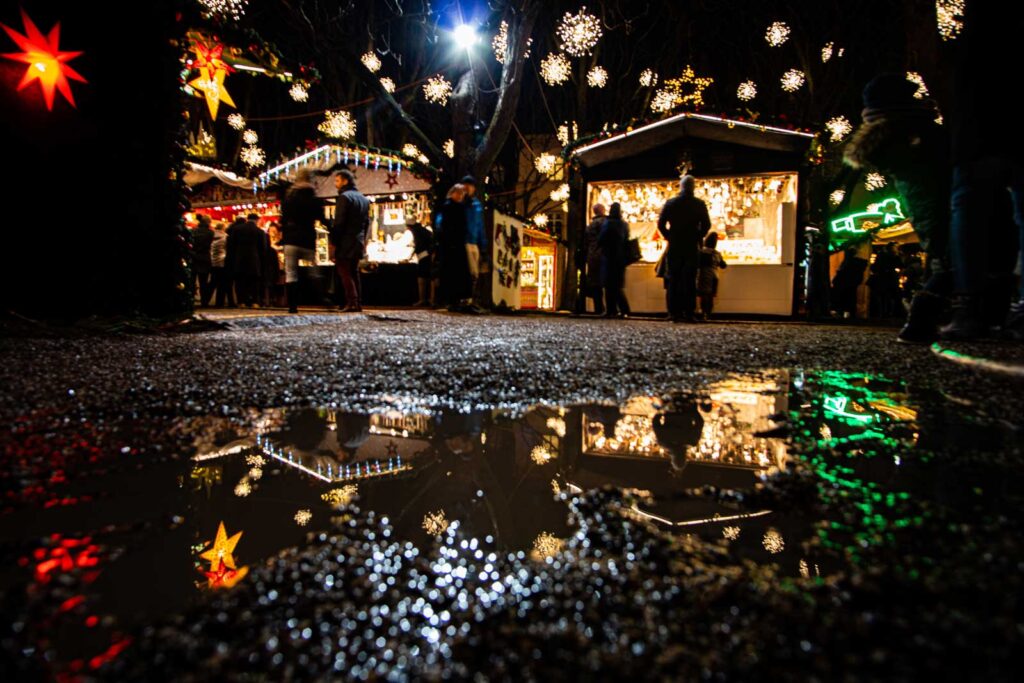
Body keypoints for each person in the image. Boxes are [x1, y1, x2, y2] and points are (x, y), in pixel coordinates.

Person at [844, 73, 951, 342]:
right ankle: (922, 320)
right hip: (937, 203)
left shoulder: (890, 140)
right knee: (949, 260)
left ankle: (927, 319)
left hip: (924, 205)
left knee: (944, 259)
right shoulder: (916, 136)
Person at [940, 1, 1024, 341]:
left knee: (969, 213)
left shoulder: (974, 33)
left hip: (977, 132)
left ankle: (969, 307)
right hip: (1008, 126)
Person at [657, 175, 711, 322]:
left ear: (680, 187)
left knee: (673, 279)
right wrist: (698, 236)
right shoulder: (699, 204)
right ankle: (689, 312)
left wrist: (669, 236)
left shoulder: (671, 203)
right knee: (690, 280)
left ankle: (673, 312)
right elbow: (707, 225)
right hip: (691, 245)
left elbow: (661, 224)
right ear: (693, 187)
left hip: (675, 245)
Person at [279, 168, 325, 313]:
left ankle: (293, 306)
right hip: (307, 239)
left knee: (291, 272)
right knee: (313, 269)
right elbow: (322, 219)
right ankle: (321, 295)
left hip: (291, 239)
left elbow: (283, 219)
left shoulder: (289, 197)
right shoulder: (314, 199)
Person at [330, 169, 370, 313]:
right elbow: (367, 223)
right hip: (358, 240)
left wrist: (333, 242)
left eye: (337, 181)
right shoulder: (364, 199)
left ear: (345, 181)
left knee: (345, 271)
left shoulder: (344, 198)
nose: (336, 184)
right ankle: (357, 302)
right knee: (354, 272)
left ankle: (352, 301)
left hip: (345, 241)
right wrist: (364, 241)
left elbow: (339, 222)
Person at [437, 184, 473, 310]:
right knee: (453, 272)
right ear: (452, 193)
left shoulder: (456, 207)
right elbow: (445, 226)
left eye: (461, 194)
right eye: (458, 193)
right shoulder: (449, 207)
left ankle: (455, 299)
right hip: (451, 244)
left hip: (454, 244)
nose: (460, 196)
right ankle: (452, 299)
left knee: (455, 272)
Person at [597, 202, 631, 318]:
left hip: (609, 256)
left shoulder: (608, 223)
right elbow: (626, 239)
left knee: (608, 285)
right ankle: (624, 309)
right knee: (617, 285)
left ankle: (612, 310)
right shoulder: (624, 224)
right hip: (620, 257)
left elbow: (601, 238)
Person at [227, 213, 268, 308]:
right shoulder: (260, 231)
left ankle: (241, 301)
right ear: (257, 220)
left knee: (240, 281)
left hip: (239, 259)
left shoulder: (237, 230)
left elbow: (231, 246)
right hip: (254, 259)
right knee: (254, 281)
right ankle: (254, 302)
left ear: (247, 219)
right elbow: (263, 249)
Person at [461, 176, 488, 312]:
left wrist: (483, 244)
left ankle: (470, 299)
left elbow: (479, 225)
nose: (467, 188)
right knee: (469, 271)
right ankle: (467, 299)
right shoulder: (461, 203)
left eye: (469, 186)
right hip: (464, 241)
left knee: (474, 272)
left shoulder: (475, 205)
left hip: (473, 241)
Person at [831, 246, 868, 319]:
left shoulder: (848, 262)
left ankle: (843, 312)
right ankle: (851, 313)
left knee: (844, 298)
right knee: (851, 298)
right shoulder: (858, 262)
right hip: (852, 283)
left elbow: (841, 272)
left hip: (846, 283)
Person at [696, 232, 727, 320]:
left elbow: (698, 264)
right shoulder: (717, 253)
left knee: (704, 295)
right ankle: (709, 313)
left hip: (705, 275)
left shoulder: (702, 252)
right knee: (711, 296)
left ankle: (703, 313)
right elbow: (723, 265)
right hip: (715, 276)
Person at [583, 203, 606, 315]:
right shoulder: (605, 223)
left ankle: (599, 307)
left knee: (596, 284)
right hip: (604, 255)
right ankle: (611, 309)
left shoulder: (590, 225)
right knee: (608, 282)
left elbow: (586, 242)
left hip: (592, 256)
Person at [867, 243, 901, 319]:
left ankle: (883, 313)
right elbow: (900, 264)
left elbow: (875, 266)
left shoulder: (882, 255)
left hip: (883, 278)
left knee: (883, 297)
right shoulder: (892, 256)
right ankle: (886, 313)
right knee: (887, 297)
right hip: (887, 278)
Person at [408, 214, 435, 307]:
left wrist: (411, 255)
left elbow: (419, 245)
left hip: (424, 256)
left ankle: (423, 299)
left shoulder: (417, 232)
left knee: (422, 278)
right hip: (428, 255)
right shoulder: (423, 230)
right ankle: (431, 299)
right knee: (430, 278)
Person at [192, 214, 214, 307]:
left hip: (193, 257)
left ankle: (190, 300)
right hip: (204, 257)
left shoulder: (193, 231)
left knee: (192, 280)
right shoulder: (210, 233)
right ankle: (204, 302)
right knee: (203, 281)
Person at [209, 222, 233, 307]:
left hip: (213, 262)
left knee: (213, 283)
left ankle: (206, 300)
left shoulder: (212, 237)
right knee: (222, 284)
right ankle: (220, 302)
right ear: (223, 228)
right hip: (222, 262)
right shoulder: (225, 237)